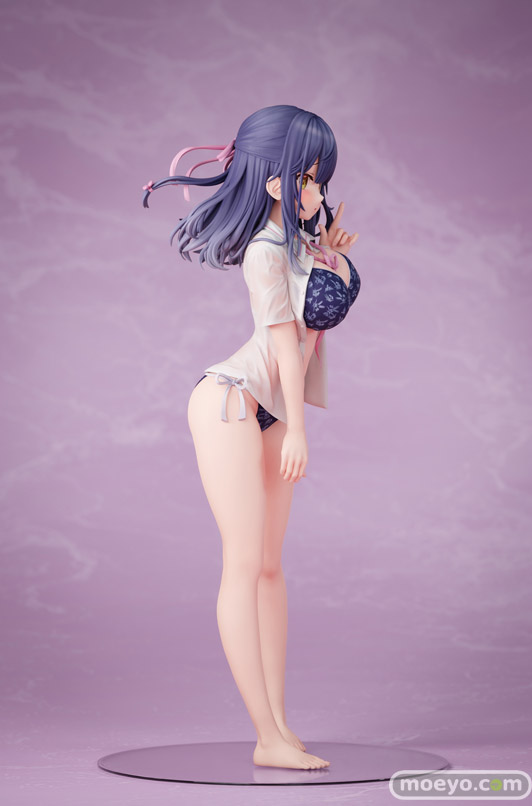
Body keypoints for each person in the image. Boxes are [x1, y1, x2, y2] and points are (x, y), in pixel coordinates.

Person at [142, 105, 360, 770]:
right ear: (275, 182)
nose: (318, 191)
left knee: (270, 566)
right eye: (309, 178)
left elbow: (310, 326)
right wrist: (297, 427)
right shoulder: (266, 252)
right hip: (233, 403)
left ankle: (281, 728)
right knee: (243, 563)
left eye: (320, 179)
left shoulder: (296, 244)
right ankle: (265, 734)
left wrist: (330, 256)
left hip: (269, 403)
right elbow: (282, 345)